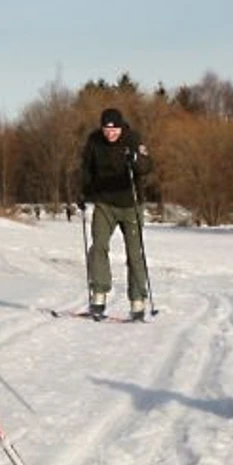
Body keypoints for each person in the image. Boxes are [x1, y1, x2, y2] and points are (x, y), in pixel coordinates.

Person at [78, 107, 154, 321]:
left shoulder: (132, 139)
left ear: (121, 127)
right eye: (106, 130)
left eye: (114, 130)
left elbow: (148, 166)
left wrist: (135, 159)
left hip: (131, 204)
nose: (110, 134)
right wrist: (83, 193)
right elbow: (86, 169)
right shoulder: (94, 141)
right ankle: (99, 297)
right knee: (98, 247)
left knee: (134, 253)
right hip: (105, 204)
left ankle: (138, 301)